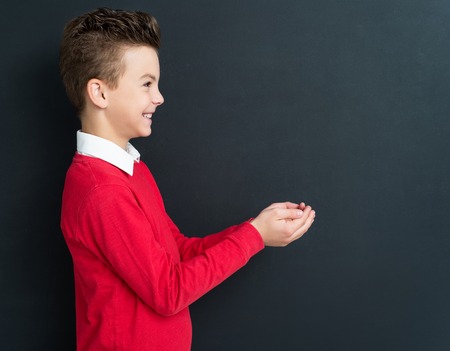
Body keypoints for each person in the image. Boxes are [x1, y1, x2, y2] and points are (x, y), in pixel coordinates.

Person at [59, 7, 316, 351]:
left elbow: (177, 251)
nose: (159, 97)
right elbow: (169, 292)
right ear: (100, 93)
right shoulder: (101, 191)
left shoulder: (130, 171)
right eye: (147, 84)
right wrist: (254, 237)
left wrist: (256, 228)